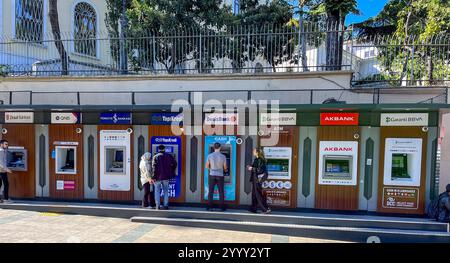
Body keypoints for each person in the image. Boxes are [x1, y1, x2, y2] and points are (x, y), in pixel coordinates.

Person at [152, 145, 177, 210]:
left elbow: (154, 168)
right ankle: (166, 205)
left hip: (157, 177)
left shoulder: (155, 157)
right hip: (166, 177)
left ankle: (158, 206)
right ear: (164, 149)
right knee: (166, 191)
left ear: (158, 149)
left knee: (157, 191)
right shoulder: (169, 156)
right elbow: (175, 164)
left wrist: (153, 177)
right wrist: (171, 170)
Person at [247, 148, 271, 214]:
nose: (253, 152)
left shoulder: (259, 160)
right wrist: (251, 167)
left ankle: (265, 209)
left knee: (258, 194)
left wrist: (251, 168)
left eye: (254, 151)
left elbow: (260, 170)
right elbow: (257, 168)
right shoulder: (258, 159)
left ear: (257, 152)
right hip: (256, 178)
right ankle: (253, 208)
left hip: (257, 178)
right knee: (254, 194)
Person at [205, 142, 228, 211]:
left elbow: (206, 166)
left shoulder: (209, 156)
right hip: (220, 175)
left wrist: (211, 169)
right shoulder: (223, 156)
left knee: (211, 191)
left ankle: (209, 207)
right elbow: (225, 167)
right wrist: (226, 170)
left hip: (212, 175)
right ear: (220, 148)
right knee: (221, 192)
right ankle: (222, 207)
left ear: (214, 147)